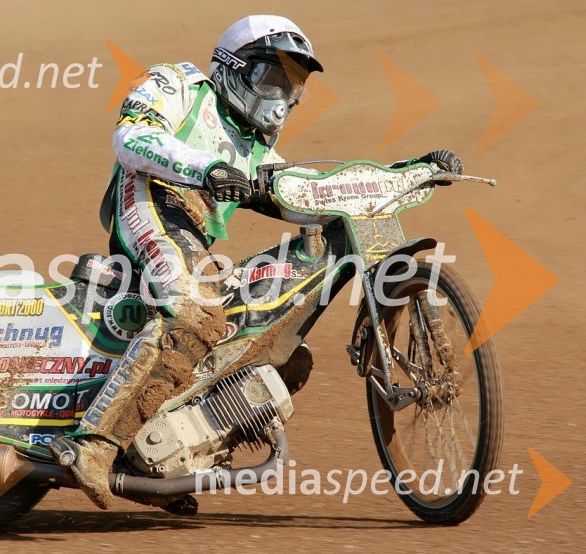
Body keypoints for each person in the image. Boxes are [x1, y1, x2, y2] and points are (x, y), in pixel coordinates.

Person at [49, 14, 462, 510]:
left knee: (279, 352)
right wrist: (206, 168)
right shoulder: (177, 83)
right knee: (199, 312)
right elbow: (133, 140)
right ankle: (94, 444)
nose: (282, 97)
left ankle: (170, 462)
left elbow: (306, 193)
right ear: (232, 67)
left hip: (194, 239)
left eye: (293, 86)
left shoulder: (255, 151)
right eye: (272, 77)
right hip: (149, 205)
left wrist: (409, 174)